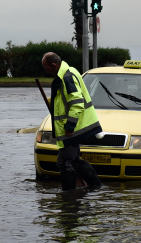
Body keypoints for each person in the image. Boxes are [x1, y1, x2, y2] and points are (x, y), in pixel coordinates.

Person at [41, 52, 103, 192]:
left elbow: (77, 103)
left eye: (47, 68)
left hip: (72, 129)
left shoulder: (66, 77)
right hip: (71, 129)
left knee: (67, 162)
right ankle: (89, 188)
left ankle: (71, 194)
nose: (47, 71)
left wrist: (70, 125)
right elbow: (65, 102)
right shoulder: (68, 72)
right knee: (69, 161)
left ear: (54, 65)